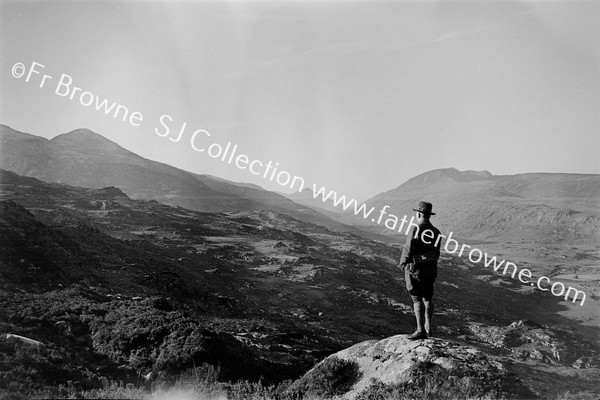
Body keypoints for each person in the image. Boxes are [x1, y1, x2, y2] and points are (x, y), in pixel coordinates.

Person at [399, 201, 441, 340]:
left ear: (418, 214)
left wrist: (403, 262)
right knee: (428, 298)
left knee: (416, 299)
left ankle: (420, 330)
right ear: (429, 215)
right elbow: (437, 253)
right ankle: (429, 329)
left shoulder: (415, 229)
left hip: (416, 270)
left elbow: (408, 248)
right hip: (430, 270)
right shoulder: (436, 232)